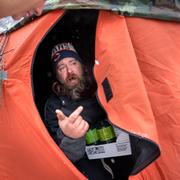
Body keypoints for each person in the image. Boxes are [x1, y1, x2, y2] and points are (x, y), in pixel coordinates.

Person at [44, 42, 131, 180]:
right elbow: (60, 159)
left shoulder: (101, 87)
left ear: (82, 66)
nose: (69, 71)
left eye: (73, 63)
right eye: (61, 67)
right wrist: (70, 136)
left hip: (128, 167)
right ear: (57, 76)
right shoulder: (54, 106)